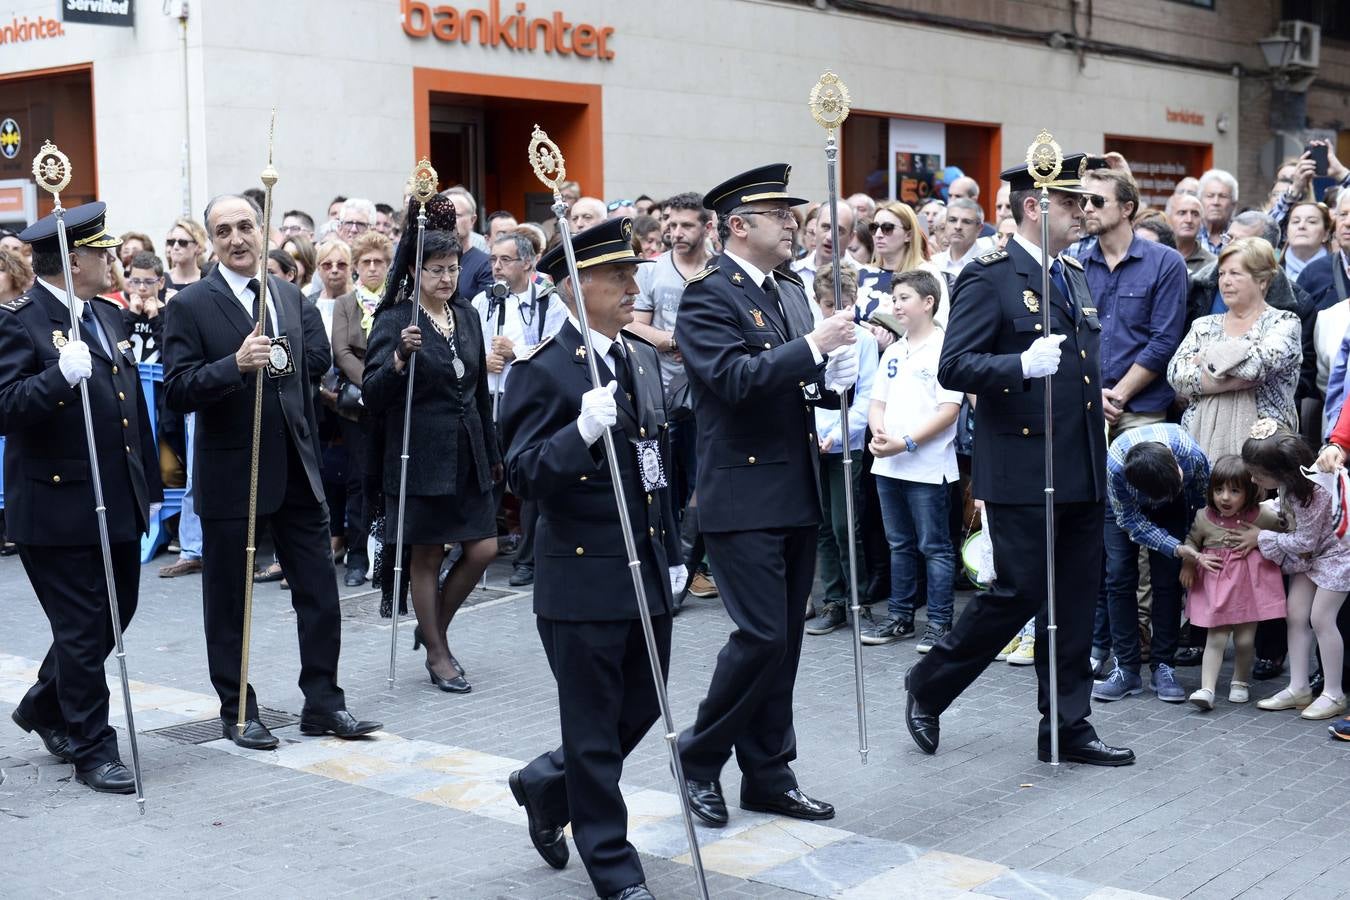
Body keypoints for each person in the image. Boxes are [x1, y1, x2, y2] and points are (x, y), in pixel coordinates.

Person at [903, 147, 1135, 767]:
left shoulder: (1071, 272)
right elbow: (955, 366)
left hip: (1080, 462)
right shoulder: (991, 273)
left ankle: (1067, 726)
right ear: (1036, 207)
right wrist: (1019, 367)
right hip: (1025, 465)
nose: (1084, 212)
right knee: (1018, 592)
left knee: (1076, 598)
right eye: (1072, 202)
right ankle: (929, 683)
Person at [673, 164, 859, 827]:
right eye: (780, 215)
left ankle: (768, 772)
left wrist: (835, 374)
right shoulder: (707, 296)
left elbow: (799, 386)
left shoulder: (789, 291)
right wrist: (812, 347)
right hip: (743, 490)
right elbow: (732, 380)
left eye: (793, 213)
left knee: (784, 645)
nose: (793, 223)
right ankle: (698, 756)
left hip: (793, 484)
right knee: (759, 635)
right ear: (740, 226)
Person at [501, 216, 681, 900]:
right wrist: (579, 429)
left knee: (638, 708)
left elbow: (655, 460)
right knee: (594, 725)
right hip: (581, 573)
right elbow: (521, 474)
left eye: (634, 274)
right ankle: (612, 864)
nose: (634, 286)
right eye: (619, 276)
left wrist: (671, 546)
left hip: (645, 567)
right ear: (576, 286)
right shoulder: (542, 367)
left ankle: (546, 784)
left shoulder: (634, 355)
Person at [162, 194, 381, 748]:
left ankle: (324, 704)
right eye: (223, 230)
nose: (237, 238)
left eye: (244, 226)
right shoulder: (192, 304)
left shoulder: (286, 293)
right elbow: (179, 389)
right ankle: (238, 711)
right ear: (211, 241)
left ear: (261, 231)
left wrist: (283, 355)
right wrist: (232, 366)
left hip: (296, 468)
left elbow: (316, 360)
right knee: (230, 602)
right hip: (234, 473)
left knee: (319, 594)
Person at [0, 203, 159, 794]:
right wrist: (54, 379)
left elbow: (128, 411)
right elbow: (4, 406)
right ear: (73, 260)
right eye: (102, 252)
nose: (112, 260)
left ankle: (45, 705)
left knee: (111, 618)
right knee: (80, 626)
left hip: (115, 500)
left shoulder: (105, 317)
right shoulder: (19, 320)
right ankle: (94, 748)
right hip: (57, 507)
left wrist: (150, 487)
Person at [363, 224, 500, 694]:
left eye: (454, 268)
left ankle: (432, 624)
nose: (447, 278)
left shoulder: (467, 315)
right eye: (437, 270)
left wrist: (493, 451)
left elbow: (479, 390)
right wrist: (400, 357)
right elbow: (372, 394)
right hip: (419, 453)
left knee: (484, 548)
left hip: (469, 451)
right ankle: (439, 655)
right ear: (416, 271)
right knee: (426, 554)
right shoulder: (396, 320)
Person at [859, 270, 960, 649]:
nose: (896, 305)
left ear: (928, 302)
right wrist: (880, 432)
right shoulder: (896, 350)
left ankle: (939, 621)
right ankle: (900, 616)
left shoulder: (944, 349)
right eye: (894, 298)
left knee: (933, 545)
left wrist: (904, 442)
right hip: (888, 463)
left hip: (927, 466)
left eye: (903, 298)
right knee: (898, 543)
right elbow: (877, 400)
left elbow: (949, 410)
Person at [627, 191, 718, 607]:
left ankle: (688, 566)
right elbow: (633, 325)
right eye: (670, 223)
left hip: (709, 394)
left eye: (685, 225)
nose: (675, 232)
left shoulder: (719, 269)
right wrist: (667, 339)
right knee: (660, 482)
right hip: (660, 393)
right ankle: (665, 567)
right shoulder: (653, 272)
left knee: (705, 480)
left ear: (706, 227)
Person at [471, 228, 566, 588]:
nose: (496, 267)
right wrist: (484, 360)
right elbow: (466, 352)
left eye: (505, 260)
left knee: (527, 483)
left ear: (528, 263)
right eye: (493, 259)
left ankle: (527, 559)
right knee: (487, 478)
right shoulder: (484, 303)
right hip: (489, 403)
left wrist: (518, 353)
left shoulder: (548, 301)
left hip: (528, 404)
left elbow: (555, 350)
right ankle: (475, 553)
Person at [1092, 424, 1211, 703]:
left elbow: (1201, 503)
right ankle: (1127, 669)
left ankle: (1164, 666)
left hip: (1176, 505)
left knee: (1168, 579)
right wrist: (1176, 547)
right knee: (1119, 577)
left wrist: (1191, 544)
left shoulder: (1192, 455)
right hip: (1124, 509)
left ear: (1175, 461)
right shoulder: (1115, 467)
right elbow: (1131, 522)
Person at [1245, 425, 1350, 720]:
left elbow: (1304, 541)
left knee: (1322, 618)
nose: (1253, 479)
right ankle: (1298, 687)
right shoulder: (1294, 485)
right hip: (1312, 555)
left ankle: (1334, 692)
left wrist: (1262, 538)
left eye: (1258, 474)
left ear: (1282, 472)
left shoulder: (1312, 492)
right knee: (1295, 614)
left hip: (1338, 554)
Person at [1168, 237, 1301, 460]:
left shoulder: (1284, 322)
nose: (1225, 281)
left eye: (1235, 274)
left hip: (1266, 452)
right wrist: (1234, 372)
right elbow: (1176, 374)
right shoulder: (1204, 325)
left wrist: (1205, 356)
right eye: (1221, 274)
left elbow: (1256, 367)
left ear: (1262, 281)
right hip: (1200, 443)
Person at [804, 263, 878, 636]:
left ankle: (858, 599)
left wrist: (836, 432)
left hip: (845, 442)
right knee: (821, 525)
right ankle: (833, 599)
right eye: (830, 304)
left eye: (844, 304)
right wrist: (815, 433)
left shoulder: (862, 341)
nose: (837, 312)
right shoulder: (812, 338)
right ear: (818, 304)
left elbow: (865, 396)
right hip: (814, 442)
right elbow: (807, 389)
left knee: (845, 524)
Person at [1179, 454, 1286, 709]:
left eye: (1234, 490)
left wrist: (1262, 537)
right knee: (1215, 638)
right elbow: (1192, 541)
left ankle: (1240, 681)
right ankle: (1207, 689)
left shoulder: (1261, 515)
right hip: (1217, 586)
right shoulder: (1204, 517)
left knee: (1245, 640)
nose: (1225, 497)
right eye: (1218, 490)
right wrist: (1188, 563)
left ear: (1249, 491)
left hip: (1249, 587)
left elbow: (1285, 531)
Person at [329, 230, 392, 587]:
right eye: (365, 262)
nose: (372, 268)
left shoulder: (398, 299)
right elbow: (341, 352)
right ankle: (355, 559)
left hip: (391, 401)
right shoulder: (345, 304)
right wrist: (371, 385)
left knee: (390, 480)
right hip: (357, 406)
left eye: (378, 262)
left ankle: (389, 559)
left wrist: (385, 383)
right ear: (357, 267)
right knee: (358, 481)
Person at [123, 251, 169, 364]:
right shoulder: (123, 314)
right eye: (136, 281)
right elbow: (114, 349)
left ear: (161, 282)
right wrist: (131, 316)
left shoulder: (171, 314)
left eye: (148, 282)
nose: (142, 288)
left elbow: (172, 355)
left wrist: (154, 319)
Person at [1166, 193, 1213, 274]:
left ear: (1201, 221)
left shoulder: (1212, 264)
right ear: (1169, 218)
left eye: (1195, 214)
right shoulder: (1158, 257)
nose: (1189, 220)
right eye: (1182, 213)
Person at [1196, 169, 1239, 256]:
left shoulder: (1240, 237)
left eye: (1223, 196)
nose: (1215, 202)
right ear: (1199, 201)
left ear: (1233, 204)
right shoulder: (1189, 235)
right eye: (1210, 196)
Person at [164, 217, 207, 292]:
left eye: (183, 242)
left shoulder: (207, 280)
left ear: (198, 247)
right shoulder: (161, 280)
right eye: (171, 242)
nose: (175, 247)